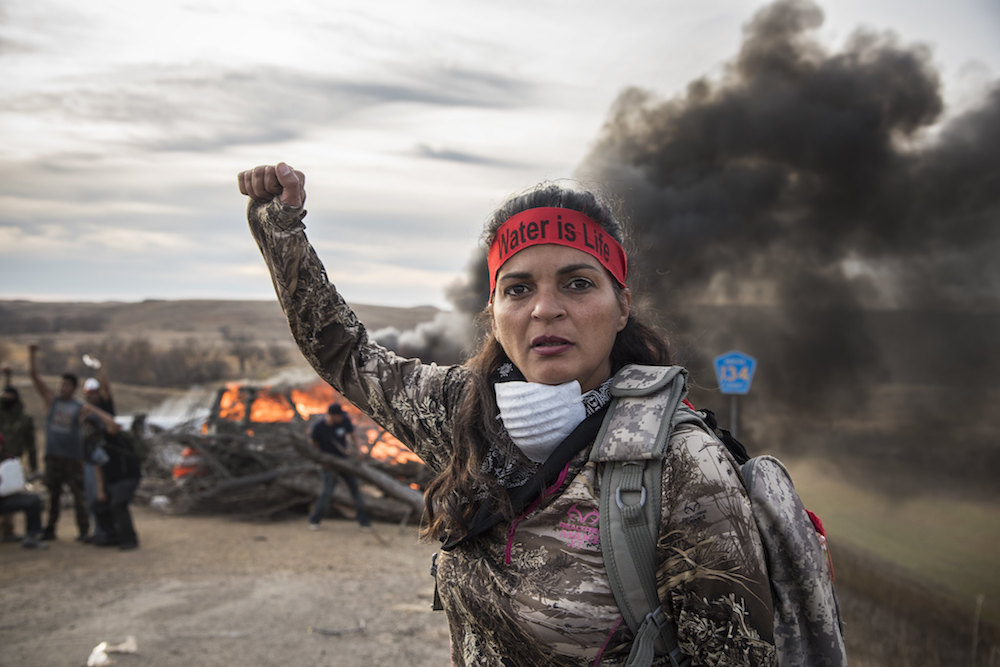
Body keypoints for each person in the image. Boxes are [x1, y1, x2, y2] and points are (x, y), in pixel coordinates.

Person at [238, 163, 776, 665]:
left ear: (622, 307)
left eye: (578, 283)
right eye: (518, 289)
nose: (545, 308)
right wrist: (280, 231)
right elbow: (345, 353)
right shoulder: (465, 412)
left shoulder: (681, 465)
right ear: (494, 313)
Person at [28, 344, 119, 542]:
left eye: (67, 385)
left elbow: (97, 409)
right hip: (53, 456)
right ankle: (50, 528)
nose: (62, 388)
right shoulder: (52, 401)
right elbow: (34, 377)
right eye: (61, 384)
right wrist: (32, 355)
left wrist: (110, 421)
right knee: (53, 495)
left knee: (80, 496)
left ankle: (84, 530)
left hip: (73, 457)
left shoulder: (78, 406)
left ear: (73, 388)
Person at [307, 403, 371, 530]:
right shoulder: (318, 427)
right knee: (327, 492)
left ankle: (364, 522)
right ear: (332, 415)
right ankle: (315, 520)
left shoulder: (344, 421)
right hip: (328, 463)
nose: (341, 418)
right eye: (339, 416)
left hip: (343, 460)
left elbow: (353, 435)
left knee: (355, 490)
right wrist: (321, 461)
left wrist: (359, 450)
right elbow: (314, 446)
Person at [1, 366, 38, 542]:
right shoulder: (2, 415)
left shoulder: (24, 419)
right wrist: (7, 378)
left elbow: (31, 443)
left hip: (12, 462)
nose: (7, 399)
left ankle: (9, 531)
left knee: (10, 493)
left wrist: (33, 463)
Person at [0, 434, 47, 549]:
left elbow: (17, 481)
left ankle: (32, 536)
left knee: (34, 500)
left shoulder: (9, 460)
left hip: (6, 498)